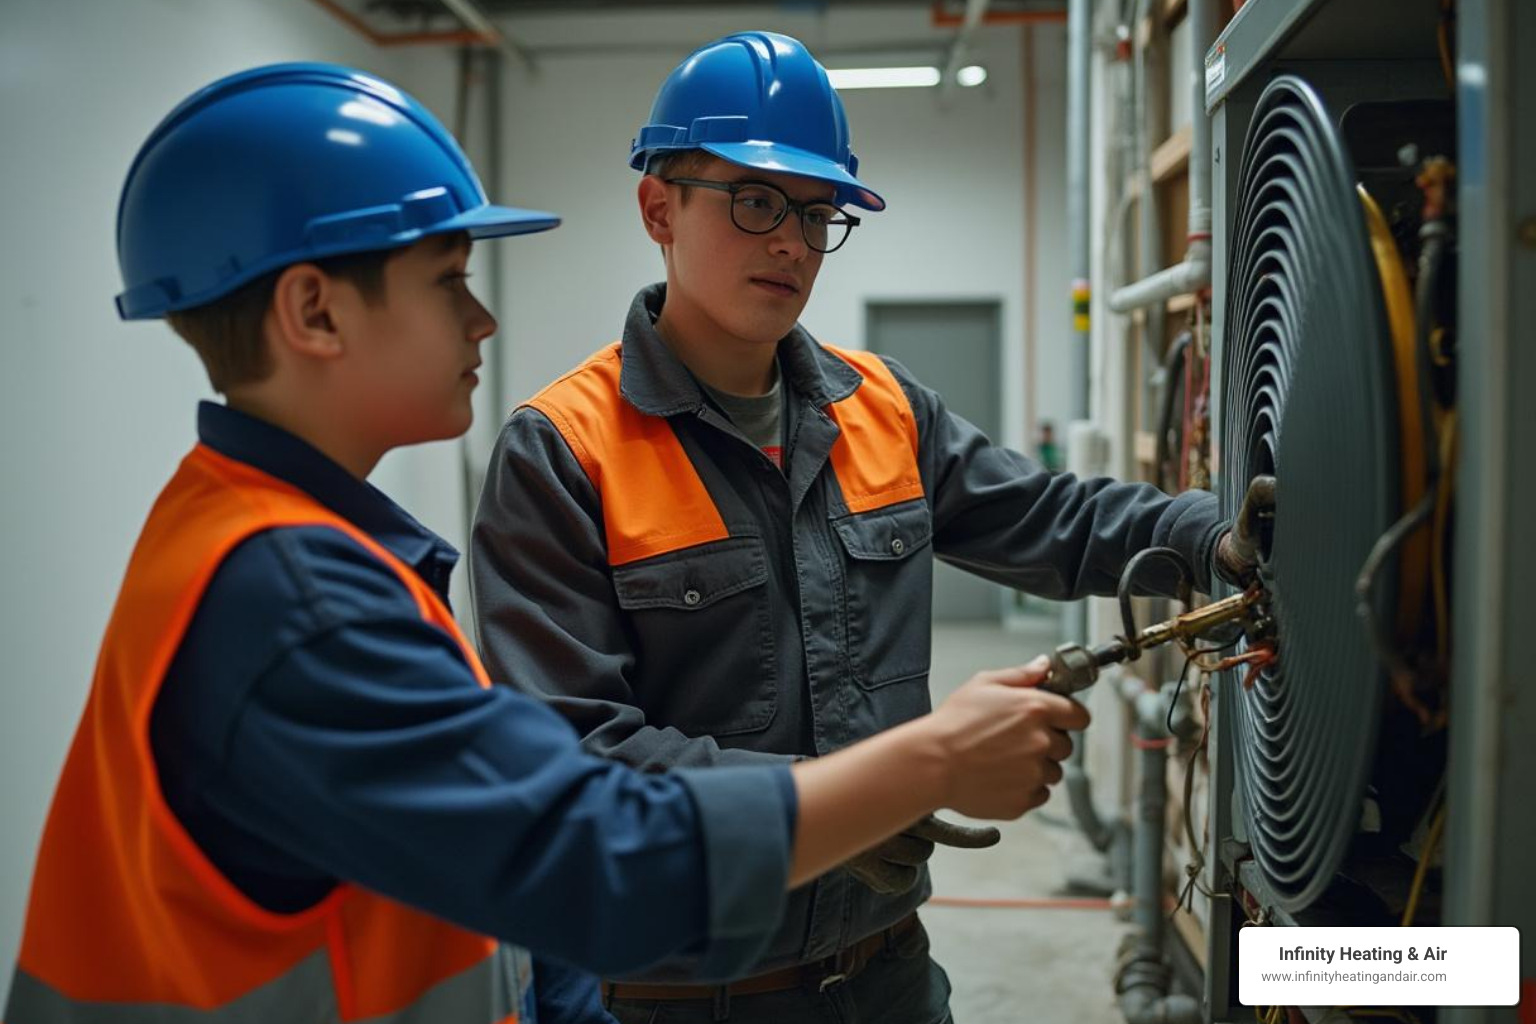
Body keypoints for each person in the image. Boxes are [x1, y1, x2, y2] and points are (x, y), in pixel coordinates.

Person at [5, 63, 1093, 1024]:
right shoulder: (298, 596)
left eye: (816, 214)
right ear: (314, 313)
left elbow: (495, 864)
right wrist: (931, 761)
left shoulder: (268, 538)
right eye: (449, 283)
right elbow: (592, 852)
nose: (483, 322)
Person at [470, 31, 1268, 1024]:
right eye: (756, 201)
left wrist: (1210, 537)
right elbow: (578, 767)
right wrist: (861, 793)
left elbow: (1052, 518)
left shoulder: (883, 406)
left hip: (890, 977)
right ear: (658, 207)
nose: (793, 242)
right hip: (676, 999)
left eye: (818, 211)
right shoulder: (563, 451)